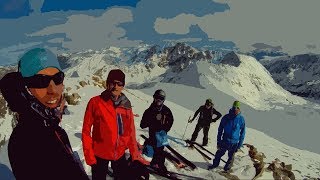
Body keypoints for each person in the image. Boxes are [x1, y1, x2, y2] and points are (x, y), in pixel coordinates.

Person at [0, 48, 89, 180]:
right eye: (40, 81)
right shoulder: (25, 142)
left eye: (57, 78)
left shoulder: (52, 128)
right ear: (26, 88)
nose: (52, 90)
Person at [82, 69, 149, 180]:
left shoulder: (126, 105)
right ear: (108, 83)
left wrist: (135, 155)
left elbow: (130, 132)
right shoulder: (95, 102)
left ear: (123, 86)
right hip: (99, 154)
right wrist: (89, 155)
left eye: (119, 84)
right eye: (113, 83)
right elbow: (86, 131)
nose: (116, 87)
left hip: (119, 154)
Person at [140, 89, 174, 173]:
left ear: (164, 100)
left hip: (162, 135)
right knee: (153, 148)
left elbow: (171, 120)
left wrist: (166, 129)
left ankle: (158, 164)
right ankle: (149, 161)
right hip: (152, 133)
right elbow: (142, 124)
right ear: (154, 98)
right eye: (157, 97)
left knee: (160, 149)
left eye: (161, 98)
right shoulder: (149, 111)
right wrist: (151, 120)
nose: (159, 100)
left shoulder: (166, 110)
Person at [208, 101, 246, 172]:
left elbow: (242, 133)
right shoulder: (226, 117)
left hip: (234, 143)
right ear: (232, 107)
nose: (236, 109)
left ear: (239, 109)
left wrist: (239, 145)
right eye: (234, 107)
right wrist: (219, 141)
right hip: (225, 141)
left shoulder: (241, 119)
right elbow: (220, 130)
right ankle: (215, 165)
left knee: (231, 158)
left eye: (237, 108)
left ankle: (226, 170)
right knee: (218, 154)